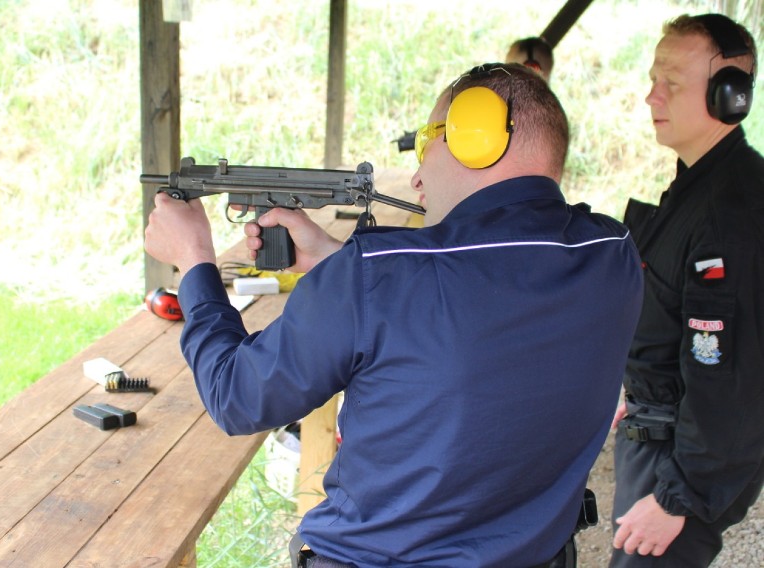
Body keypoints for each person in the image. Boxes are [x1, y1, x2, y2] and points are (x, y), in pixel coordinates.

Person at [144, 63, 644, 567]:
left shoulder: (374, 278)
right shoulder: (613, 251)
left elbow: (237, 397)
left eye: (431, 140)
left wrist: (194, 262)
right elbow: (473, 288)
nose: (418, 174)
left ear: (478, 137)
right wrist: (337, 261)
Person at [610, 13, 764, 567]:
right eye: (654, 79)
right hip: (660, 448)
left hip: (680, 469)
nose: (652, 96)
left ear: (730, 94)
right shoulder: (696, 190)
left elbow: (732, 381)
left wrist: (679, 498)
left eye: (671, 82)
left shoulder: (732, 210)